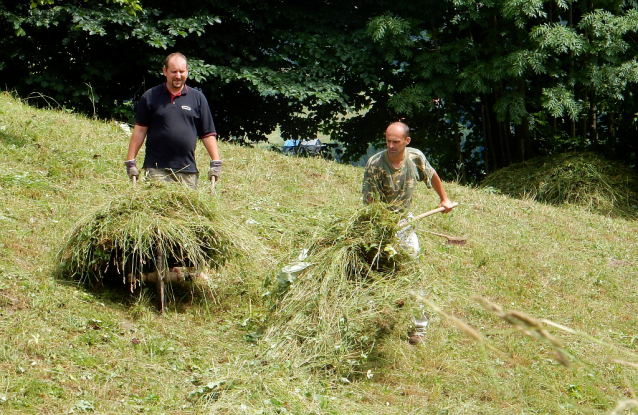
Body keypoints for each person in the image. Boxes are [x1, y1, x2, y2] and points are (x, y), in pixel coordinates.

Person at [362, 121, 455, 344]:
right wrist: (383, 227)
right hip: (381, 226)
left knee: (412, 272)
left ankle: (419, 329)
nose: (391, 145)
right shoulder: (375, 164)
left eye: (395, 141)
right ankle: (375, 325)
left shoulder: (415, 158)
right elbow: (369, 202)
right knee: (378, 273)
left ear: (406, 141)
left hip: (405, 223)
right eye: (387, 141)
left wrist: (444, 198)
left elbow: (431, 175)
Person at [125, 52, 222, 188]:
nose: (178, 76)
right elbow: (140, 130)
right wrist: (130, 161)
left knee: (187, 209)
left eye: (181, 71)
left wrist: (216, 162)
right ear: (164, 71)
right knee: (156, 208)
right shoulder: (150, 96)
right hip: (156, 170)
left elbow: (207, 133)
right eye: (173, 71)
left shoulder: (197, 98)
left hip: (187, 171)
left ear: (187, 71)